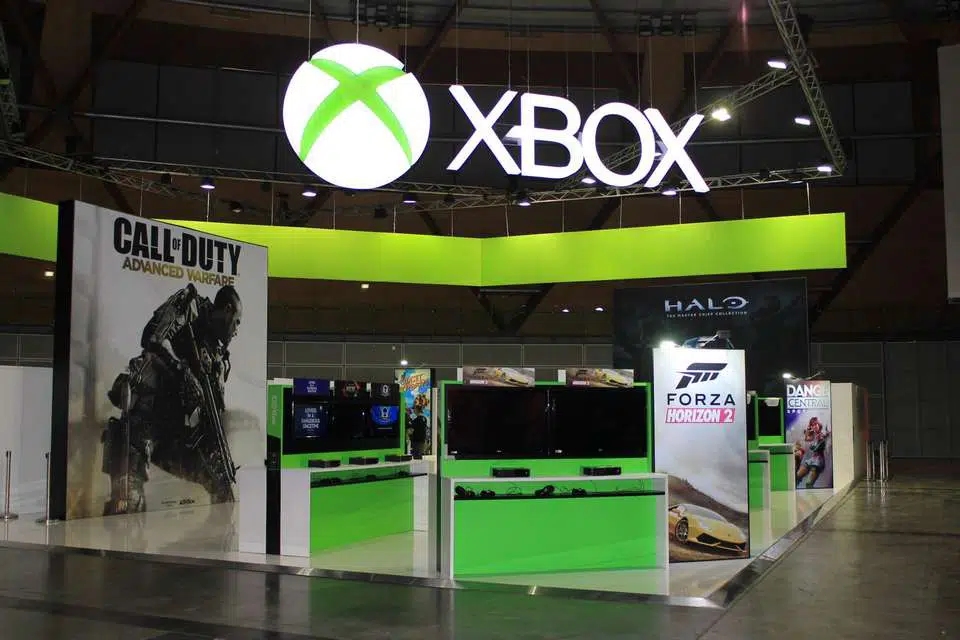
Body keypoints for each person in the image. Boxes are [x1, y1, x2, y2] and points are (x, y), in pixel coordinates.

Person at [101, 283, 242, 515]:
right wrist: (182, 371)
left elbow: (213, 414)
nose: (236, 330)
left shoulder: (218, 357)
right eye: (237, 322)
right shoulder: (190, 307)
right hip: (148, 419)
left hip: (178, 435)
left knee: (223, 490)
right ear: (227, 310)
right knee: (128, 501)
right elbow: (153, 338)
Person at [794, 416, 830, 488]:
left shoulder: (821, 435)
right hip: (810, 460)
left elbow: (816, 447)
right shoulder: (812, 435)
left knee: (808, 484)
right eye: (812, 425)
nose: (814, 426)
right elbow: (806, 439)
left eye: (816, 424)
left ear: (819, 424)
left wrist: (824, 436)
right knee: (797, 477)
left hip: (818, 461)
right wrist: (808, 432)